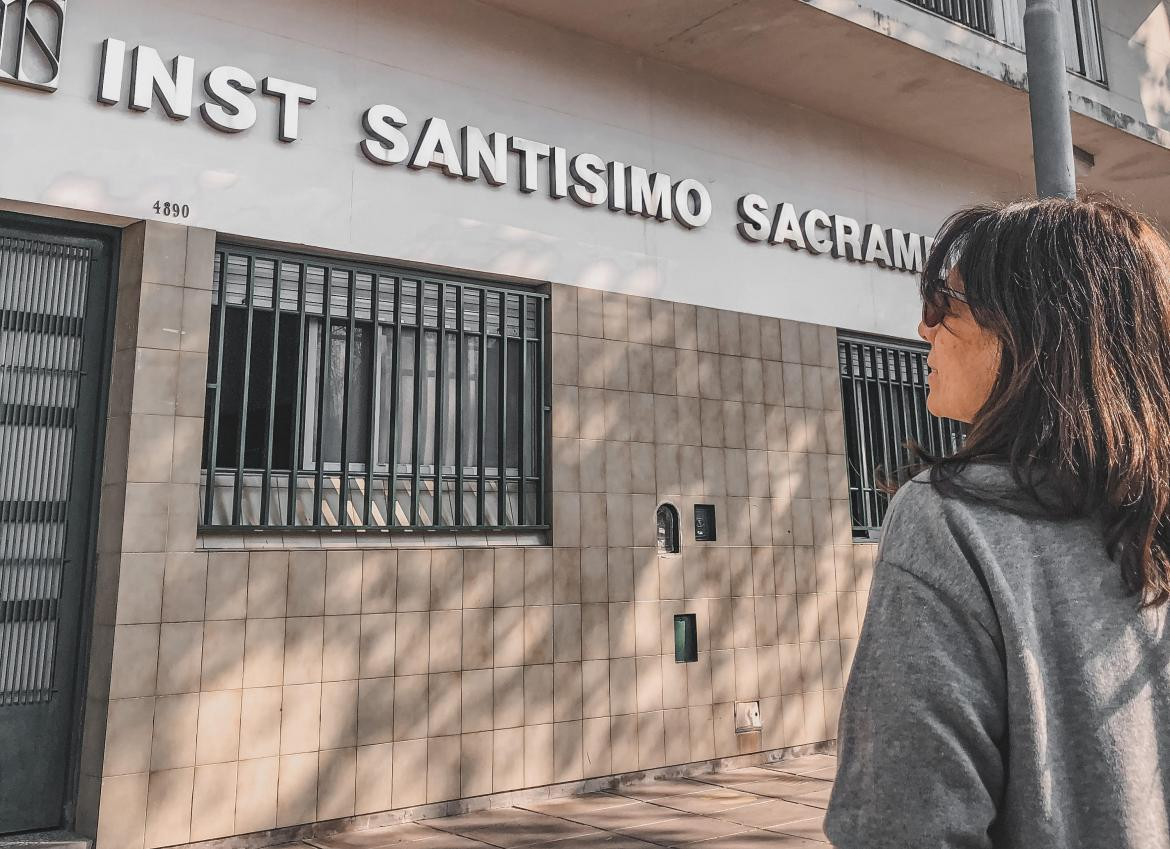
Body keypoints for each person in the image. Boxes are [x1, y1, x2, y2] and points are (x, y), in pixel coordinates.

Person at [824, 196, 1170, 849]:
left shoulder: (952, 519)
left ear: (1026, 328)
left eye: (942, 304)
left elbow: (903, 826)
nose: (923, 329)